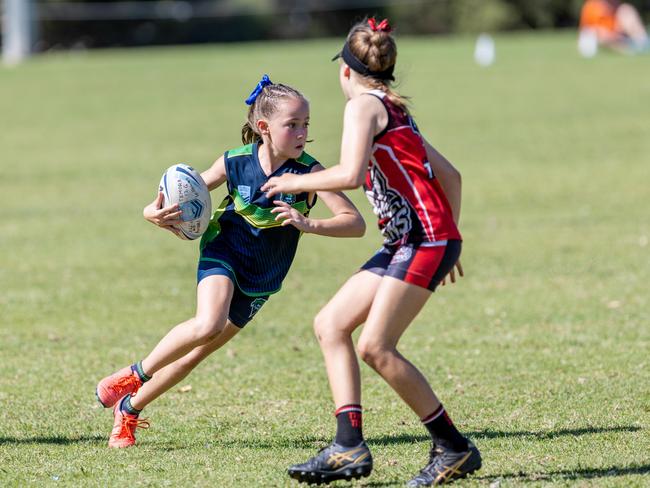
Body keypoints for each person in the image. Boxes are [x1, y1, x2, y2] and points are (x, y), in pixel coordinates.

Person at [262, 18, 481, 486]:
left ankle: (454, 447)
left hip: (422, 240)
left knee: (376, 347)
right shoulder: (395, 107)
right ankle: (348, 446)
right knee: (330, 324)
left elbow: (352, 174)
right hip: (416, 239)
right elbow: (453, 176)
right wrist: (451, 235)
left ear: (346, 70)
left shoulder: (363, 106)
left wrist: (294, 180)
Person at [95, 75, 366, 449]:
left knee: (195, 355)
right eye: (293, 125)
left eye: (306, 124)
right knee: (208, 323)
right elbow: (184, 191)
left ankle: (129, 407)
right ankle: (134, 374)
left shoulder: (311, 173)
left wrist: (309, 223)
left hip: (264, 276)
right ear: (263, 127)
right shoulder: (234, 162)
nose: (303, 132)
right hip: (223, 250)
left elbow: (355, 224)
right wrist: (150, 212)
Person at [579, 0, 649, 53]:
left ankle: (643, 42)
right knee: (602, 36)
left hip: (621, 37)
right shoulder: (592, 6)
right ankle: (631, 49)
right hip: (601, 41)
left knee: (626, 10)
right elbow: (589, 31)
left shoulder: (619, 8)